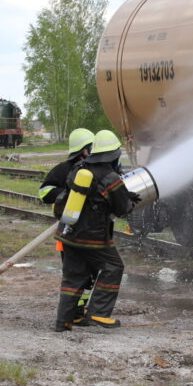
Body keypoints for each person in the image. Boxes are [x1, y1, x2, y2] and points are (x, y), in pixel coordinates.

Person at [53, 129, 133, 332]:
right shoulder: (110, 177)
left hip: (68, 233)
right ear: (114, 154)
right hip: (93, 238)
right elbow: (122, 209)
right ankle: (99, 312)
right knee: (113, 267)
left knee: (73, 277)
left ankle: (63, 322)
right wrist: (129, 198)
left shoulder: (79, 169)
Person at [39, 128, 96, 325]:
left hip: (91, 232)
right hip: (69, 232)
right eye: (91, 147)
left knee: (90, 273)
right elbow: (44, 192)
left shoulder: (94, 169)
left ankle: (78, 311)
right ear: (83, 150)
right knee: (74, 273)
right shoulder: (63, 169)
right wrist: (67, 195)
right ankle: (73, 312)